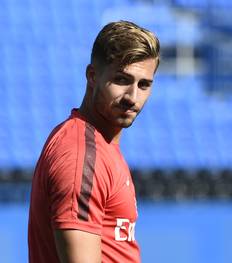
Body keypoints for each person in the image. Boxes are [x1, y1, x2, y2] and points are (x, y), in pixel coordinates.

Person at [28, 21, 160, 262]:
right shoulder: (82, 156)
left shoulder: (101, 143)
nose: (133, 97)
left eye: (144, 85)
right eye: (121, 80)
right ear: (92, 75)